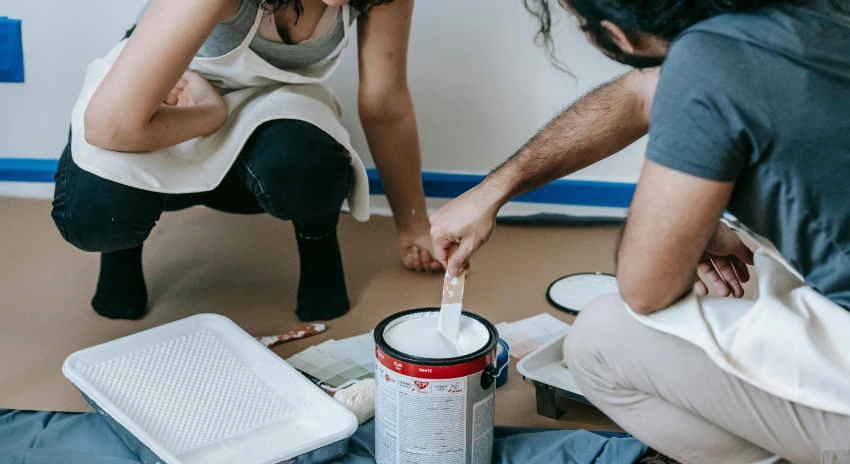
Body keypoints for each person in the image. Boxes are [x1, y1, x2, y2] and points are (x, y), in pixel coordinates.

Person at [430, 0, 850, 461]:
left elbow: (646, 288)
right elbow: (639, 94)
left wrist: (688, 221)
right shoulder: (802, 14)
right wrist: (492, 191)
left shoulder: (706, 66)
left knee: (598, 341)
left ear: (620, 35)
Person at [52, 0, 442, 322]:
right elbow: (112, 126)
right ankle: (122, 247)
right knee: (96, 212)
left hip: (272, 99)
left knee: (307, 165)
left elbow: (385, 105)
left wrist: (413, 224)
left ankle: (317, 237)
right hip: (169, 100)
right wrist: (210, 113)